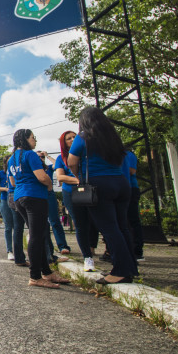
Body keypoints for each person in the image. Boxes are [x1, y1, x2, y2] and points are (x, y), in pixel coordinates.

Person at [68, 107, 138, 285]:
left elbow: (72, 161)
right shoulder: (113, 136)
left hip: (99, 185)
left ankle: (121, 270)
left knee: (109, 229)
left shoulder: (83, 136)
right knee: (122, 227)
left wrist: (79, 178)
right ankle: (130, 267)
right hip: (121, 183)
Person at [10, 129, 69, 289]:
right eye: (33, 138)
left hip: (19, 197)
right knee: (37, 236)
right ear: (25, 140)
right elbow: (42, 176)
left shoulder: (11, 159)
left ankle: (46, 272)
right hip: (35, 196)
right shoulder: (30, 155)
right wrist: (49, 186)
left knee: (40, 234)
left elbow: (13, 181)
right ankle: (35, 276)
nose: (35, 140)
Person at [55, 130, 95, 272]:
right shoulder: (61, 158)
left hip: (90, 190)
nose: (72, 140)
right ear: (63, 143)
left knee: (94, 221)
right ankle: (87, 257)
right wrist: (78, 180)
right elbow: (60, 177)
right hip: (71, 192)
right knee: (80, 223)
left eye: (74, 137)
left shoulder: (87, 155)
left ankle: (93, 248)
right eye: (68, 138)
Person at [39, 151, 70, 254]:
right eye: (38, 157)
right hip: (37, 195)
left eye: (42, 157)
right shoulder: (34, 168)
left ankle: (63, 246)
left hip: (49, 194)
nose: (41, 158)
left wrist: (48, 156)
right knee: (42, 224)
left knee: (55, 221)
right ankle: (47, 249)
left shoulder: (48, 167)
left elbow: (58, 164)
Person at [0, 157, 14, 260]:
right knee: (8, 226)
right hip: (5, 200)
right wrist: (5, 189)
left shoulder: (17, 171)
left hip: (18, 199)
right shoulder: (0, 173)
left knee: (18, 226)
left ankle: (19, 251)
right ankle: (10, 250)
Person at [125, 150, 144, 261]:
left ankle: (137, 251)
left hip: (130, 188)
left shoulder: (128, 154)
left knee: (133, 220)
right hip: (119, 188)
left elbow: (132, 170)